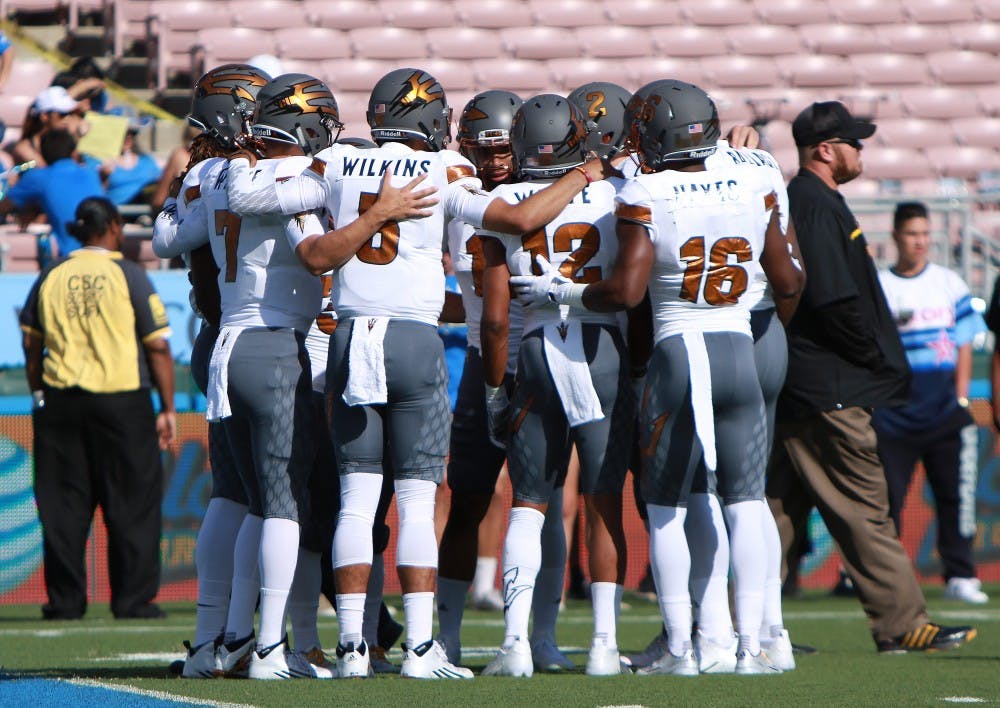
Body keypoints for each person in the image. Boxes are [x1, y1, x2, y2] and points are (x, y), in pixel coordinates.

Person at [227, 66, 615, 680]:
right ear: (432, 120)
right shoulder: (444, 170)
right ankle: (420, 647)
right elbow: (518, 219)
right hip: (412, 340)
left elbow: (247, 198)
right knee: (413, 499)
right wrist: (580, 174)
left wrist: (253, 157)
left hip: (351, 336)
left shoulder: (331, 163)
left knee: (356, 500)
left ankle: (353, 647)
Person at [766, 100, 976, 653]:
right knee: (864, 507)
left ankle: (745, 628)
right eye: (854, 142)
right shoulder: (812, 205)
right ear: (825, 150)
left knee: (776, 513)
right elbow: (834, 300)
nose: (862, 151)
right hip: (831, 389)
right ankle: (903, 624)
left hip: (808, 386)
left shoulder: (813, 201)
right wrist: (874, 359)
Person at [479, 94, 633, 678]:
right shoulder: (619, 192)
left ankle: (517, 644)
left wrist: (497, 391)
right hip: (601, 348)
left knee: (528, 504)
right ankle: (602, 645)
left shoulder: (504, 202)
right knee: (600, 503)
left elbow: (496, 320)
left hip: (540, 348)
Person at [19, 196, 175, 620]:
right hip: (123, 400)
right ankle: (132, 599)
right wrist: (168, 407)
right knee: (133, 503)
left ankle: (65, 601)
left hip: (61, 402)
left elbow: (32, 344)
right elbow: (158, 346)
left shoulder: (51, 274)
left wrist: (38, 394)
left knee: (64, 506)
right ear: (113, 228)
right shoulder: (129, 275)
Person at [873, 201, 988, 605]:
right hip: (893, 414)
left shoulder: (949, 283)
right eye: (911, 234)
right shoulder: (880, 286)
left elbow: (964, 344)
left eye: (924, 234)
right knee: (887, 499)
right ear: (896, 237)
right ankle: (882, 579)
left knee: (955, 497)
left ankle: (960, 574)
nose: (919, 242)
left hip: (943, 411)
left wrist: (961, 396)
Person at [0, 128, 104, 266]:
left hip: (73, 260)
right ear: (73, 151)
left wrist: (31, 209)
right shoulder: (91, 173)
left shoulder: (39, 177)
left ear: (41, 153)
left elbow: (4, 206)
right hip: (106, 255)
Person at [11, 86, 86, 167]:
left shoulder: (65, 144)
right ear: (45, 116)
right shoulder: (24, 149)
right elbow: (48, 172)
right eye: (62, 114)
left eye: (70, 113)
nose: (68, 118)